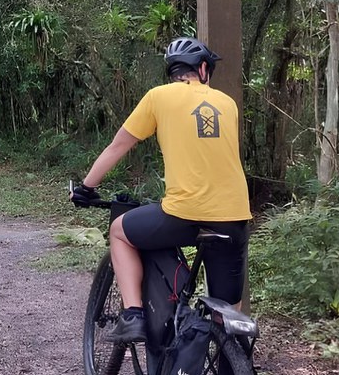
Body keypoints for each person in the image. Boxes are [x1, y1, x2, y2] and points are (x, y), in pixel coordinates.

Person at [70, 37, 252, 343]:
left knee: (118, 232)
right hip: (234, 217)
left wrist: (86, 187)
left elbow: (118, 146)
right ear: (203, 69)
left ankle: (133, 316)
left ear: (173, 71)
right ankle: (233, 356)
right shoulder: (227, 104)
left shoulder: (159, 96)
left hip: (183, 215)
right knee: (229, 317)